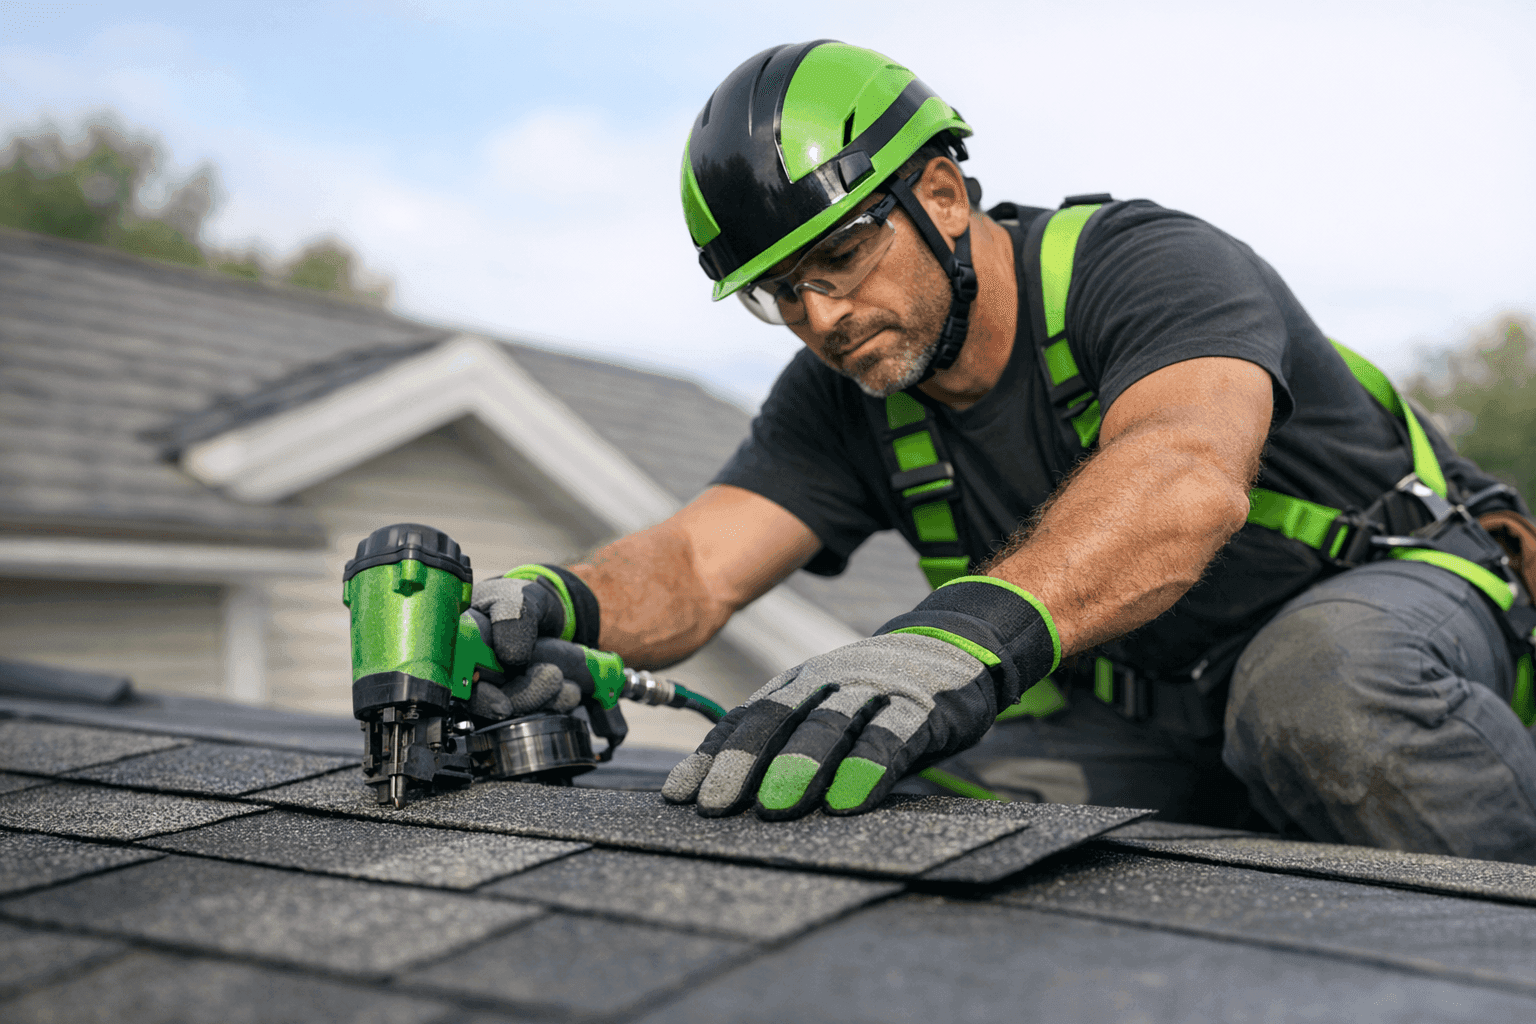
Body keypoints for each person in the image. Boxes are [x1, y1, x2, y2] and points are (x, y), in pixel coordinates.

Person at [471, 41, 1536, 861]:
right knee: (869, 779)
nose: (822, 315)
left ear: (941, 195)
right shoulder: (842, 395)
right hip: (1159, 713)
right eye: (781, 292)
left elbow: (1185, 474)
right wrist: (553, 608)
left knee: (1318, 689)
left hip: (1398, 611)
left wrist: (960, 638)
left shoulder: (1146, 266)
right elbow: (700, 564)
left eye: (841, 255)